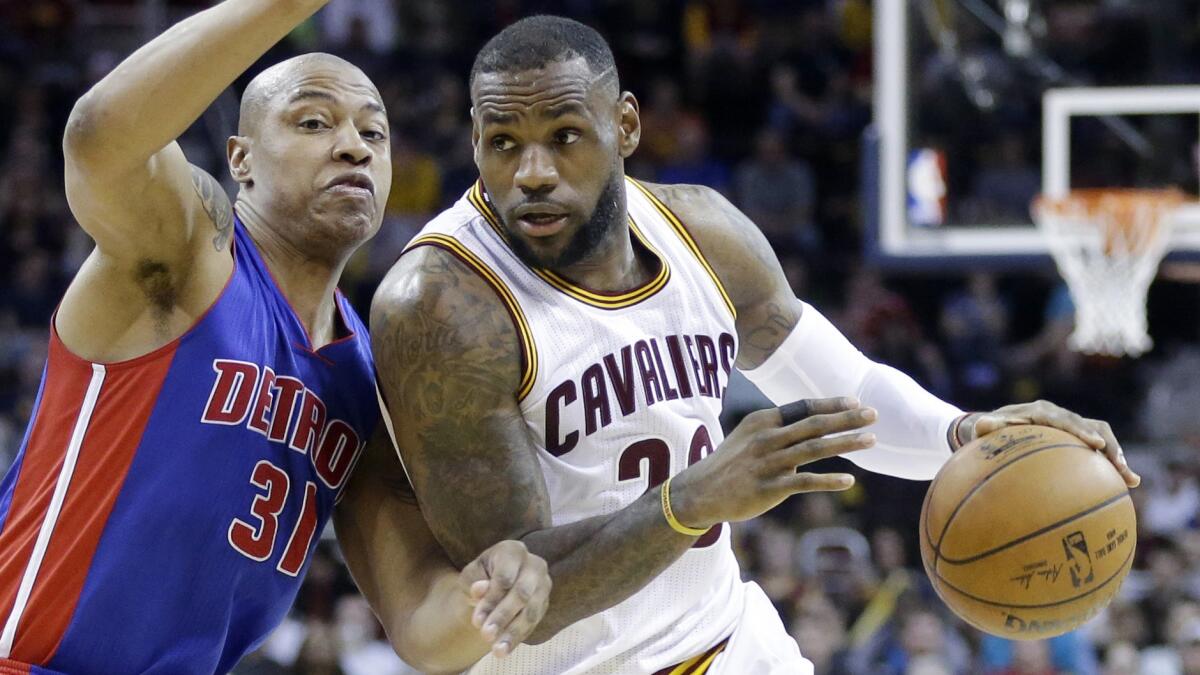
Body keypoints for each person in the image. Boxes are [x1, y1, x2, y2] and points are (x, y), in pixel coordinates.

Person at [361, 15, 1140, 674]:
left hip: (733, 641)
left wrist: (966, 432)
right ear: (473, 140)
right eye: (503, 143)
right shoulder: (442, 306)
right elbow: (522, 596)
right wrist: (692, 500)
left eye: (565, 136)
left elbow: (854, 396)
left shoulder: (704, 232)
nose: (532, 172)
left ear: (625, 125)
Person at [0, 2, 550, 673]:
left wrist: (504, 587)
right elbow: (97, 137)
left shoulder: (366, 384)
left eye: (373, 134)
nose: (353, 145)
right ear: (241, 159)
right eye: (313, 121)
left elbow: (423, 629)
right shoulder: (192, 251)